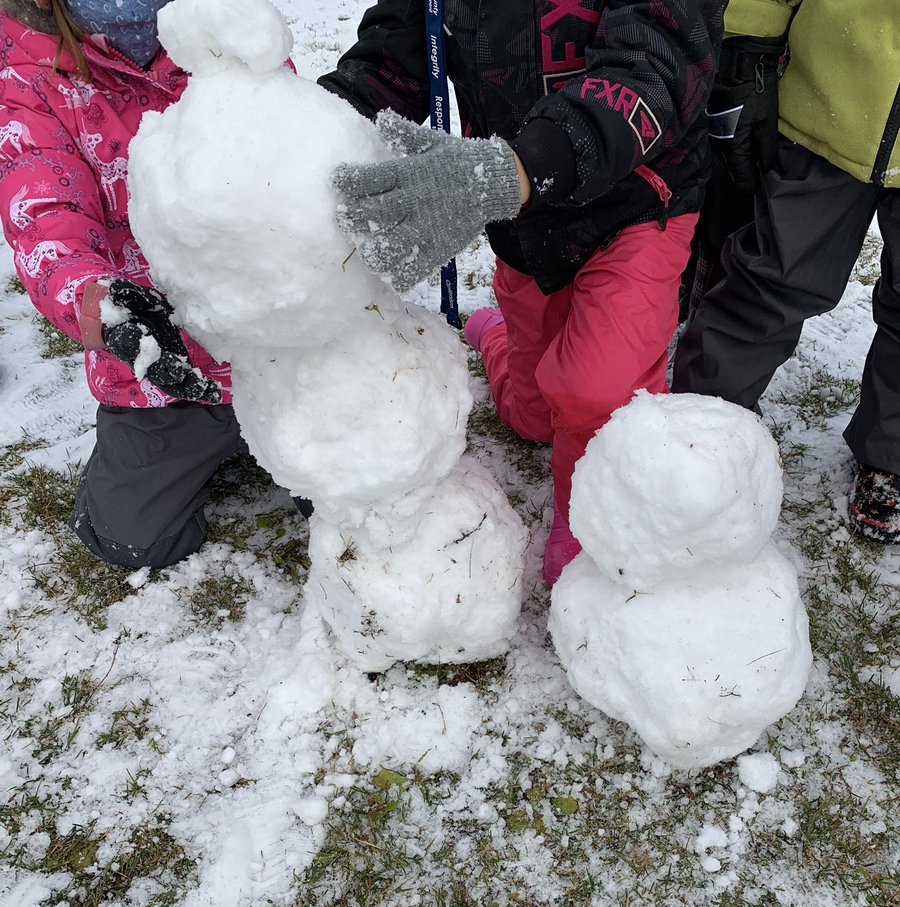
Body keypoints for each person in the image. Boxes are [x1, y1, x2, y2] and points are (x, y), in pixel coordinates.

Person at [320, 0, 726, 583]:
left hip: (637, 200)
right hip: (524, 221)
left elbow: (651, 68)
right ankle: (498, 339)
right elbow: (392, 63)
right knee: (534, 415)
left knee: (596, 388)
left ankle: (588, 509)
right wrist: (310, 130)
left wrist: (516, 170)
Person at [0, 0, 253, 569]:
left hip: (281, 348)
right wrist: (99, 302)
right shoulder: (29, 79)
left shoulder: (226, 30)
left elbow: (289, 155)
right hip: (163, 367)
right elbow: (44, 215)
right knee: (133, 539)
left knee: (362, 486)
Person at [673, 0, 900, 545]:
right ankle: (695, 437)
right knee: (771, 280)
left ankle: (889, 455)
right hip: (831, 104)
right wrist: (747, 44)